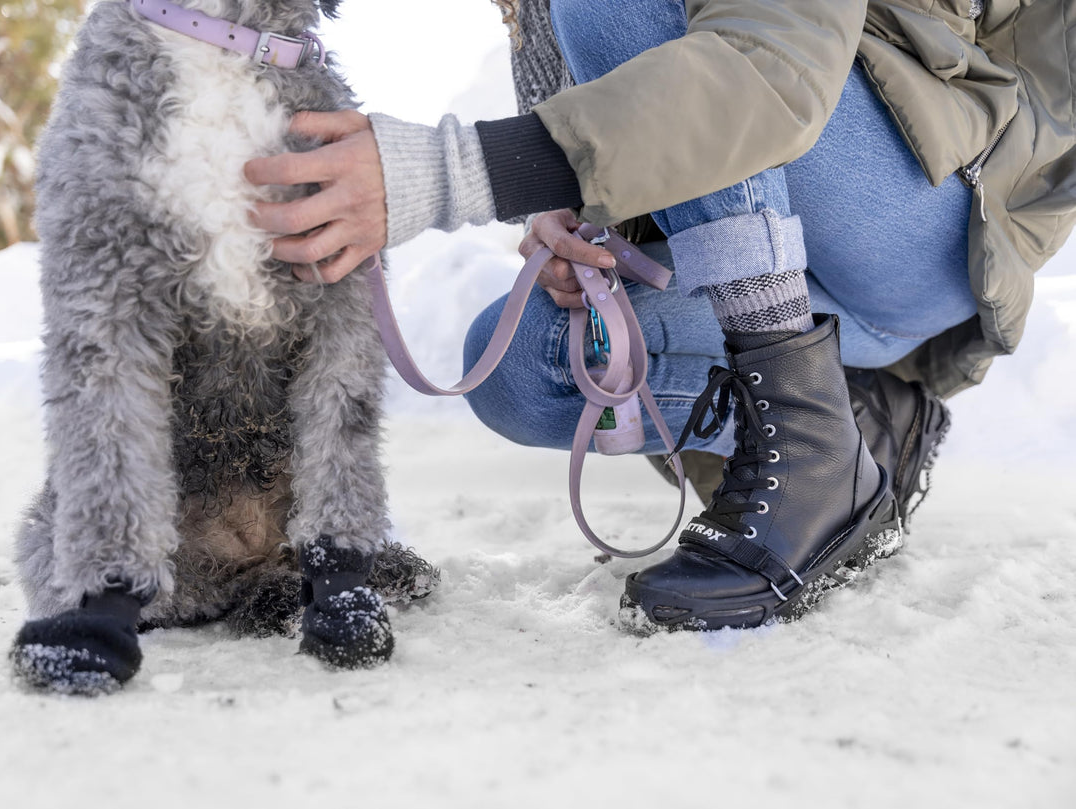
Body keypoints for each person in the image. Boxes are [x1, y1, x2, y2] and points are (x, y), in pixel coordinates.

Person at [244, 0, 1076, 631]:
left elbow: (765, 69)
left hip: (941, 207)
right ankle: (859, 420)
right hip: (805, 215)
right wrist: (592, 215)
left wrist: (450, 170)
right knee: (526, 367)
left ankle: (811, 444)